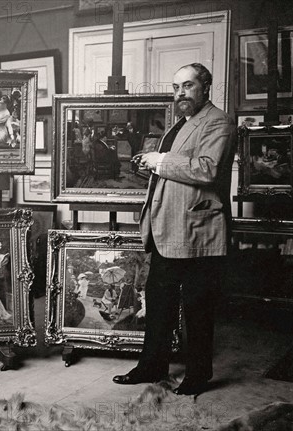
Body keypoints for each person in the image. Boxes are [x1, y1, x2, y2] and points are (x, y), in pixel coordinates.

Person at [113, 63, 237, 396]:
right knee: (158, 304)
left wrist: (160, 161)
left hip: (198, 231)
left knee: (197, 309)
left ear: (206, 86)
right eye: (176, 87)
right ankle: (152, 367)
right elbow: (173, 171)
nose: (180, 93)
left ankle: (198, 375)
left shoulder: (219, 121)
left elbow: (207, 170)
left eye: (187, 86)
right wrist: (150, 162)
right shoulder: (180, 125)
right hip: (167, 228)